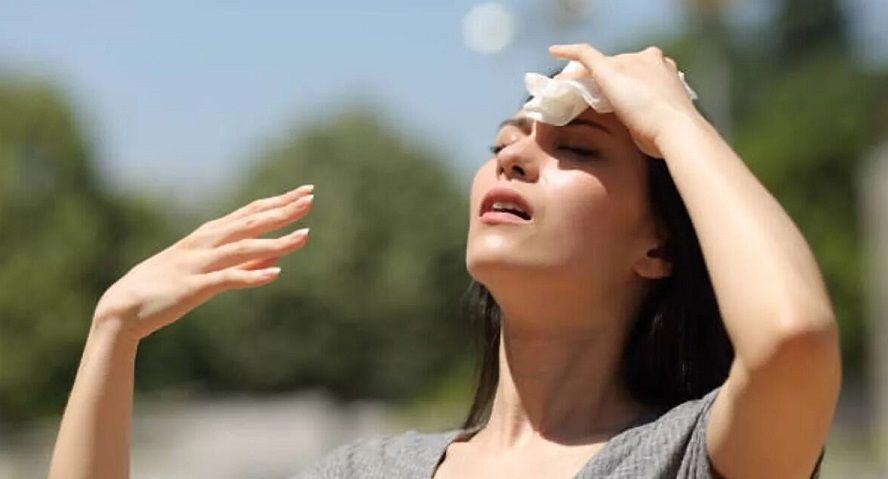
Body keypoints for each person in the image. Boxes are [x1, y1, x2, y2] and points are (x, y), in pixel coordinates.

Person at [48, 43, 840, 479]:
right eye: (501, 143)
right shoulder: (365, 473)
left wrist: (671, 118)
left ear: (658, 245)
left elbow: (792, 339)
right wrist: (114, 331)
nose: (513, 159)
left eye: (576, 148)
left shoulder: (687, 457)